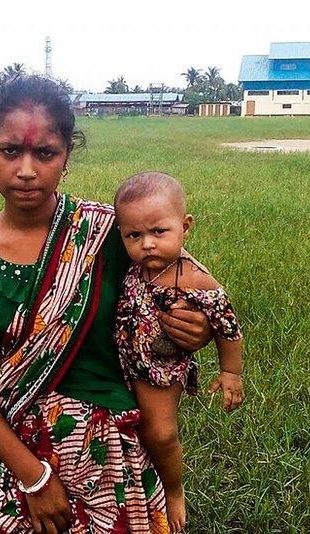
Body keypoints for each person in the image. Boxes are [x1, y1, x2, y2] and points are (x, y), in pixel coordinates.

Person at [0, 76, 213, 533]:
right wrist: (34, 478)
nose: (26, 169)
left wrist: (198, 327)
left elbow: (191, 288)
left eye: (45, 153)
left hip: (115, 451)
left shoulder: (109, 231)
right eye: (10, 151)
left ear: (65, 157)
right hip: (26, 454)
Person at [113, 172, 245, 532]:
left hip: (160, 369)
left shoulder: (195, 278)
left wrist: (230, 373)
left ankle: (173, 490)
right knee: (131, 428)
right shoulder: (136, 266)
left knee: (161, 433)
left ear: (185, 227)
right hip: (123, 360)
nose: (147, 245)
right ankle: (135, 480)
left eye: (159, 232)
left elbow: (228, 328)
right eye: (134, 235)